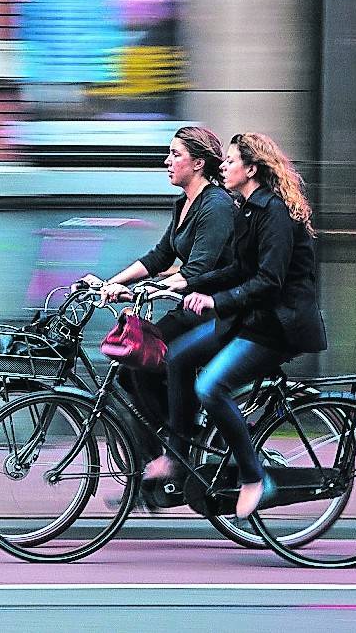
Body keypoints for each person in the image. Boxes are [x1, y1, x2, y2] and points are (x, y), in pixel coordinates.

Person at [151, 132, 327, 519]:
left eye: (230, 162)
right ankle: (178, 455)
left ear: (251, 169)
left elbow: (269, 281)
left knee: (211, 387)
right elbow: (238, 268)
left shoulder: (274, 212)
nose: (223, 167)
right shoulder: (246, 207)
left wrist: (215, 300)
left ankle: (255, 478)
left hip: (279, 326)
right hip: (252, 319)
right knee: (177, 357)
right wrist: (188, 282)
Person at [79, 126, 237, 464]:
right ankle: (162, 452)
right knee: (131, 366)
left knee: (148, 359)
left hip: (213, 310)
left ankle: (181, 446)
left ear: (198, 163)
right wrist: (110, 282)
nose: (167, 161)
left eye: (175, 154)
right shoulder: (185, 203)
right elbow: (160, 256)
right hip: (188, 306)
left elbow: (197, 271)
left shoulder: (217, 206)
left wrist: (144, 290)